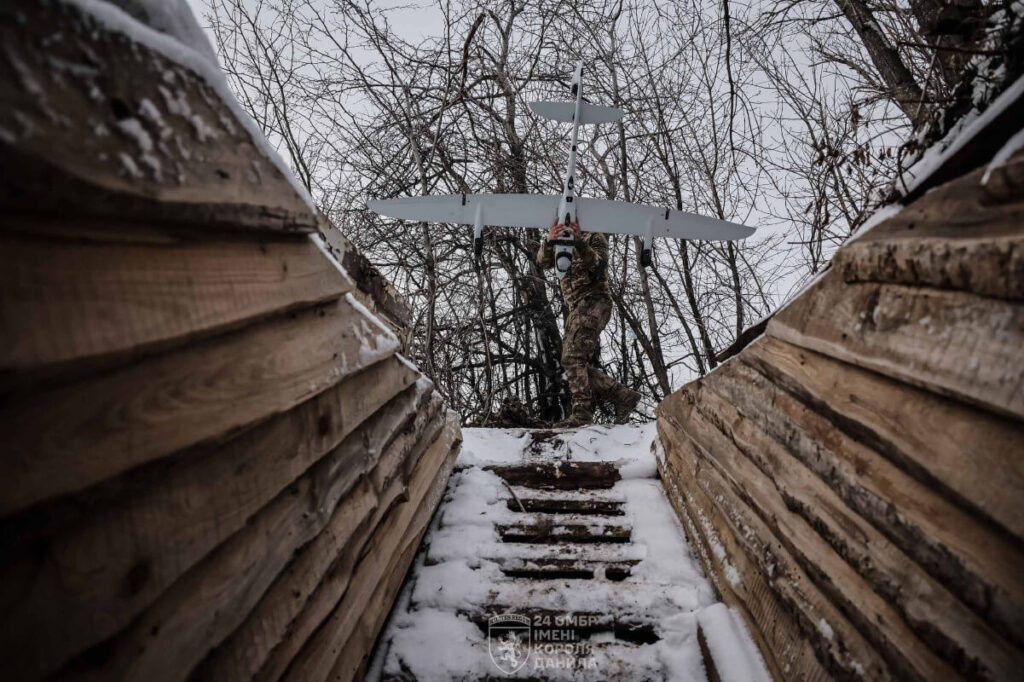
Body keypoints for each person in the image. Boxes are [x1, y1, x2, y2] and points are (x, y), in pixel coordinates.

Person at [538, 220, 642, 427]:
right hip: (577, 306)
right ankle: (623, 395)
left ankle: (582, 415)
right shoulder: (561, 239)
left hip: (595, 300)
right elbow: (543, 263)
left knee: (572, 358)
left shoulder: (594, 236)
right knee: (574, 362)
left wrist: (578, 243)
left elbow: (598, 263)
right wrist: (549, 242)